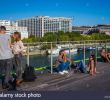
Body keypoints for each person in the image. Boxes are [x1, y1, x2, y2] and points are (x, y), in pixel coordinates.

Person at [0, 26, 16, 90]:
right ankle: (5, 83)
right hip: (9, 56)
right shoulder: (8, 36)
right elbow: (10, 45)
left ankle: (8, 80)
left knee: (2, 70)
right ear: (4, 30)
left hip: (1, 57)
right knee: (8, 71)